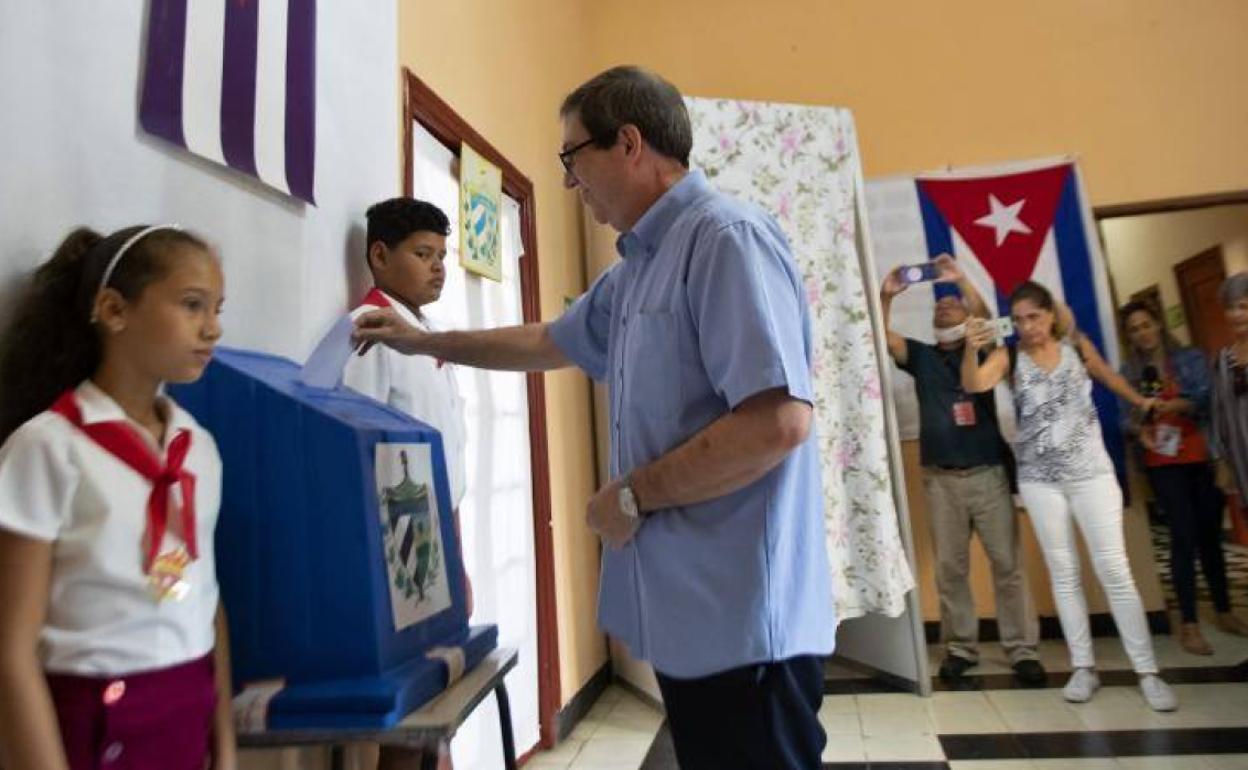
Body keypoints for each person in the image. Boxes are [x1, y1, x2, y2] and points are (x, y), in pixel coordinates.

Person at [355, 65, 833, 768]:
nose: (570, 182)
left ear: (630, 143)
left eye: (572, 158)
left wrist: (635, 494)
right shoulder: (639, 266)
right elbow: (550, 340)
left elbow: (777, 423)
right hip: (694, 616)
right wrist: (423, 338)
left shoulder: (725, 238)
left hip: (746, 621)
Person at [0, 225, 235, 769]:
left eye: (218, 308)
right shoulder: (49, 448)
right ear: (113, 310)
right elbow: (11, 649)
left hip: (185, 710)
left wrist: (223, 748)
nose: (213, 328)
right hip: (92, 723)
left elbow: (207, 603)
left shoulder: (196, 447)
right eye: (192, 305)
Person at [960, 280, 1178, 712]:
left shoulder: (1076, 346)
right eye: (1019, 319)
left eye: (1035, 317)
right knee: (1064, 573)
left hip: (1091, 473)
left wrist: (1143, 404)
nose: (1027, 326)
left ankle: (1147, 671)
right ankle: (1084, 667)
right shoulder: (1011, 355)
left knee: (1114, 569)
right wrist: (970, 347)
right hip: (1040, 480)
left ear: (1050, 315)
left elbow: (1110, 377)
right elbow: (975, 384)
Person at [342, 198, 471, 770]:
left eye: (442, 255)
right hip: (401, 540)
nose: (438, 267)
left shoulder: (426, 332)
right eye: (423, 254)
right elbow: (360, 442)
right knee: (413, 703)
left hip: (439, 529)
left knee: (438, 693)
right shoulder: (370, 329)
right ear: (379, 254)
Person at [880, 255, 1044, 685]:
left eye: (953, 303)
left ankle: (1022, 649)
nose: (945, 305)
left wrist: (960, 278)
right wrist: (885, 296)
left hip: (987, 474)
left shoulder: (985, 350)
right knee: (951, 569)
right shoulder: (921, 356)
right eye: (939, 305)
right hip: (941, 479)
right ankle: (960, 648)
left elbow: (989, 318)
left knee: (1007, 564)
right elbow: (880, 337)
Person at [1119, 300, 1247, 655]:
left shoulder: (1189, 358)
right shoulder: (1129, 371)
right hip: (1162, 463)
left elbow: (1212, 400)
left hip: (1200, 454)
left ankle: (1224, 610)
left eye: (1146, 325)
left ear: (1159, 324)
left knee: (1210, 537)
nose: (1142, 333)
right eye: (1134, 329)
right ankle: (1189, 623)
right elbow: (1123, 418)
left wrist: (1182, 405)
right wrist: (1139, 424)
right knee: (1182, 536)